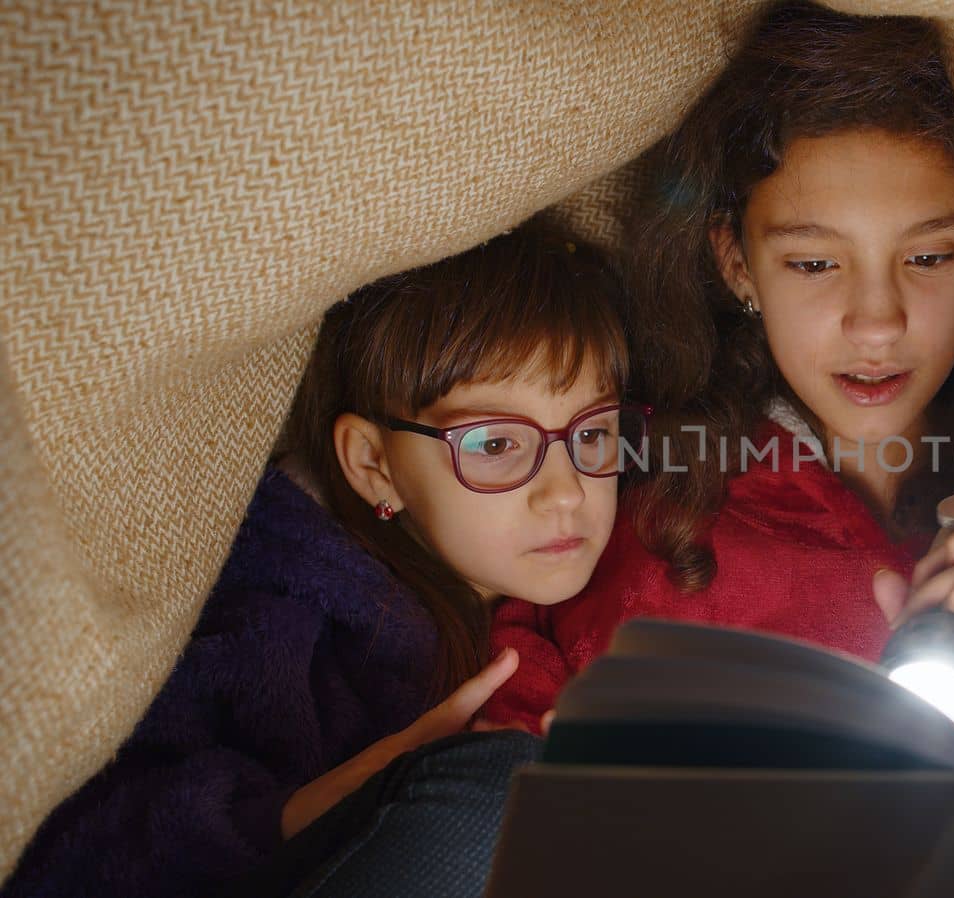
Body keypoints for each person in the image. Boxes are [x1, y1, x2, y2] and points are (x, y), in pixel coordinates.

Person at [486, 2, 954, 781]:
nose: (878, 324)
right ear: (736, 263)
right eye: (814, 264)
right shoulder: (643, 535)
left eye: (927, 257)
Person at [3, 220, 644, 898]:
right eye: (493, 446)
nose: (567, 490)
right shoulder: (281, 621)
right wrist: (314, 806)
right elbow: (71, 858)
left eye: (593, 433)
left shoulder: (629, 579)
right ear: (374, 466)